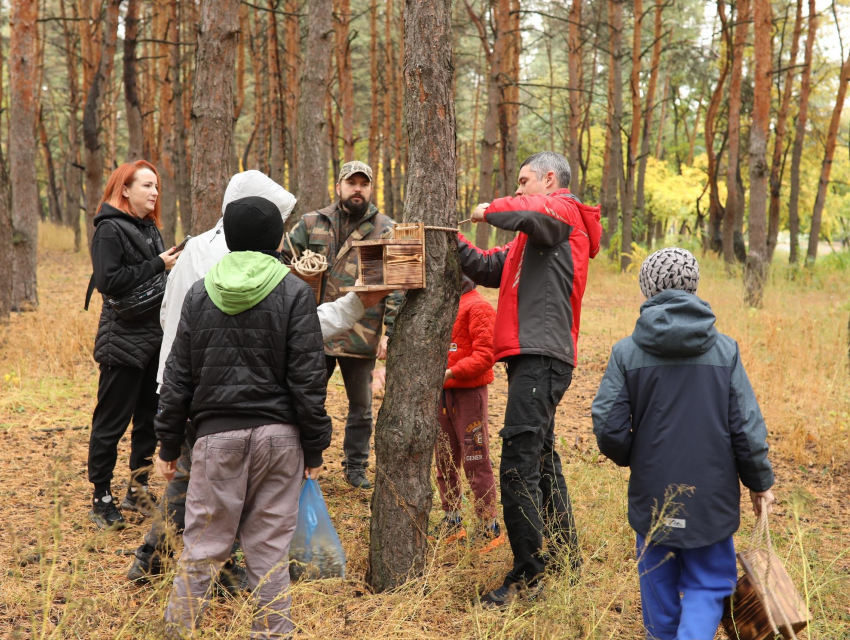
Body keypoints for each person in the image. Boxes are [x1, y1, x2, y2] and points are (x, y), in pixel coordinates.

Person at [127, 171, 385, 584]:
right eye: (276, 222)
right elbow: (295, 330)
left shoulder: (198, 248)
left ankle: (164, 563)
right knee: (205, 491)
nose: (281, 235)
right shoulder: (230, 265)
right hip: (216, 397)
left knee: (195, 485)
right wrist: (355, 305)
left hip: (189, 386)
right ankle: (175, 565)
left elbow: (170, 321)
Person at [156, 195, 332, 638]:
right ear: (277, 238)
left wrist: (167, 443)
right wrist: (315, 446)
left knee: (201, 549)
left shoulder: (200, 292)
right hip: (281, 441)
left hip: (216, 440)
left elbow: (178, 376)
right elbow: (309, 379)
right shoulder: (295, 291)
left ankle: (176, 633)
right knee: (270, 554)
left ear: (229, 238)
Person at [591, 248, 776, 640]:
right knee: (708, 585)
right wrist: (759, 482)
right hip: (712, 502)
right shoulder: (725, 351)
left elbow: (608, 427)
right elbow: (746, 428)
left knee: (657, 586)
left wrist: (634, 455)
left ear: (647, 291)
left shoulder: (627, 353)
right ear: (694, 287)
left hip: (654, 499)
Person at [457, 151, 602, 607]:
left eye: (524, 181)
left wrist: (488, 209)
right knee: (540, 459)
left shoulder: (561, 211)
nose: (519, 189)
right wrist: (449, 239)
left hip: (542, 357)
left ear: (550, 179)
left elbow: (529, 210)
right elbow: (486, 266)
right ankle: (563, 558)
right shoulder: (533, 239)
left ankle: (527, 577)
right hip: (534, 359)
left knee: (518, 462)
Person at [283, 160, 402, 490]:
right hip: (313, 331)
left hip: (360, 332)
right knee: (308, 400)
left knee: (361, 407)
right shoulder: (311, 223)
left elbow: (396, 285)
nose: (357, 189)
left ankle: (355, 466)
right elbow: (283, 264)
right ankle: (306, 462)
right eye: (352, 182)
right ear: (339, 186)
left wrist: (389, 332)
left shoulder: (385, 229)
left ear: (370, 188)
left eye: (364, 183)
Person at [87, 160, 182, 530]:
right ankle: (101, 497)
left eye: (156, 186)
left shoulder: (150, 228)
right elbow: (108, 281)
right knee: (111, 422)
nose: (154, 192)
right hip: (122, 341)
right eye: (146, 185)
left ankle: (137, 488)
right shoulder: (109, 229)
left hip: (154, 338)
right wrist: (159, 264)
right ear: (124, 189)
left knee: (148, 417)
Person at [433, 275, 504, 550]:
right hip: (442, 395)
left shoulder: (479, 307)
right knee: (445, 460)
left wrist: (450, 372)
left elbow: (486, 354)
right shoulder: (444, 306)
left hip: (468, 396)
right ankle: (452, 521)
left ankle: (489, 526)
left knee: (476, 459)